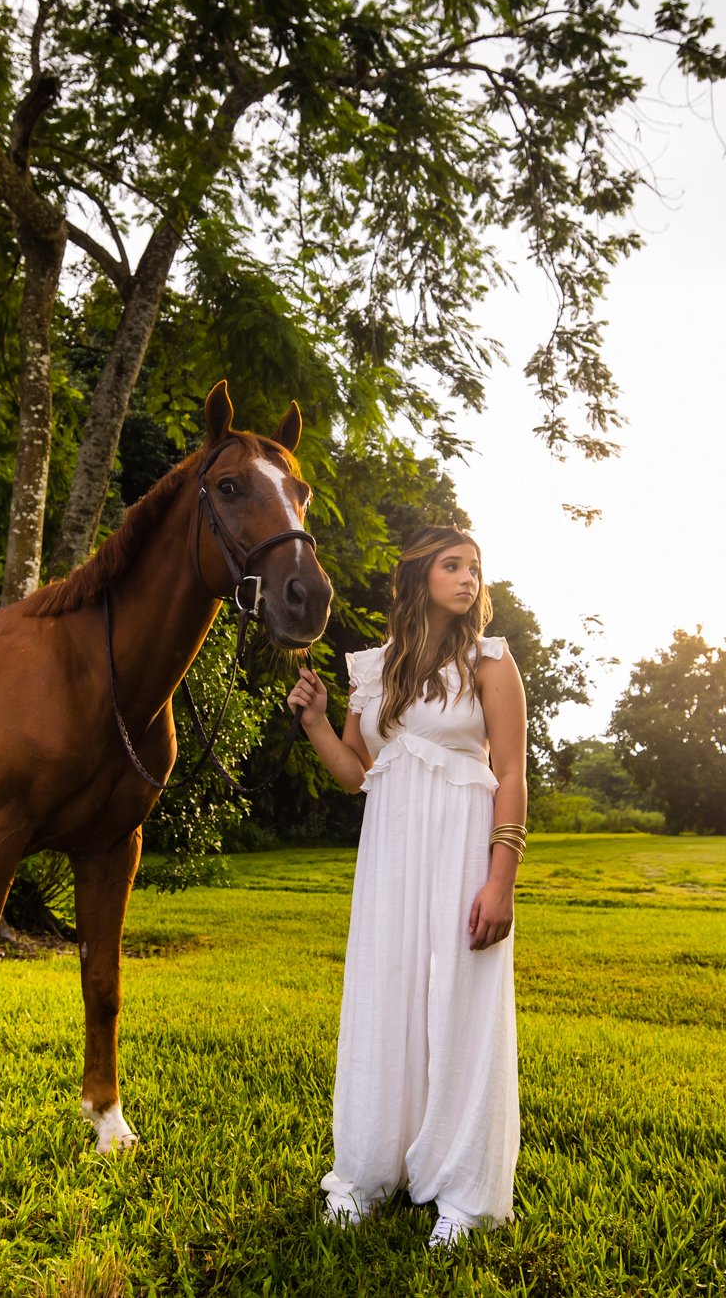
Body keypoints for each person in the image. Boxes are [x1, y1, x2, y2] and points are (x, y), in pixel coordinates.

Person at [286, 524, 529, 1250]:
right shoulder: (378, 669)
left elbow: (512, 774)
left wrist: (501, 878)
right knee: (385, 996)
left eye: (475, 568)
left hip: (463, 851)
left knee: (460, 1003)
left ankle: (464, 1193)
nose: (468, 578)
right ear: (421, 576)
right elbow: (360, 772)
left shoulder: (492, 663)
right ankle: (365, 1173)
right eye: (453, 565)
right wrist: (318, 720)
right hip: (390, 853)